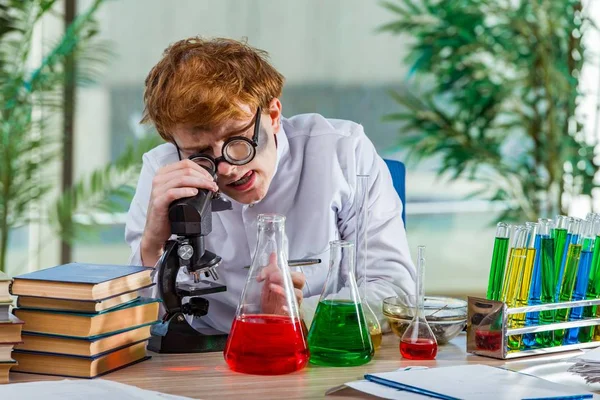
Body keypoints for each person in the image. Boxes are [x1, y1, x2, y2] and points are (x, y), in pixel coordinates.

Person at [125, 36, 415, 333]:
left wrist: (302, 314)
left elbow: (395, 289)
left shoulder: (343, 152)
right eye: (200, 154)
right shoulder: (164, 170)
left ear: (274, 115)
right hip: (204, 356)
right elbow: (139, 321)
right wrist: (151, 246)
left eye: (238, 140)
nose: (228, 168)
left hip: (316, 347)